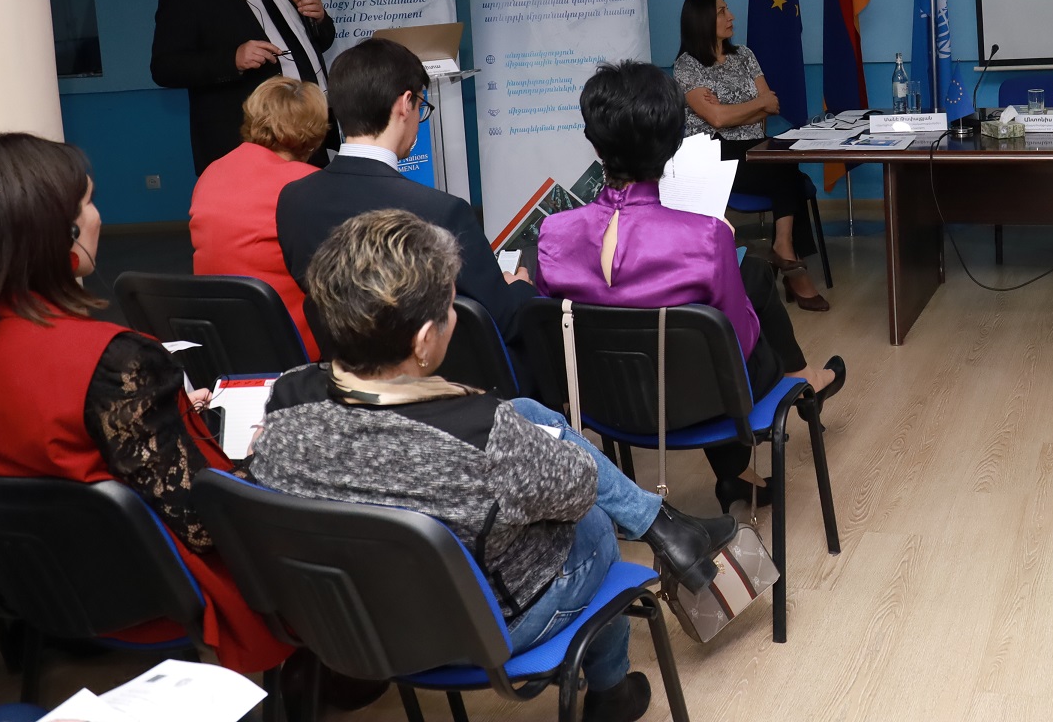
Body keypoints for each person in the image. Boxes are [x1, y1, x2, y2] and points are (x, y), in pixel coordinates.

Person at [246, 209, 736, 722]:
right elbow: (579, 488)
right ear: (423, 341)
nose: (455, 314)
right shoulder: (483, 434)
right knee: (592, 520)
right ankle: (611, 691)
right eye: (450, 305)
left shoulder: (285, 399)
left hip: (346, 621)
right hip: (476, 629)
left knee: (526, 413)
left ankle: (663, 524)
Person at [0, 132, 290, 674]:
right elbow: (203, 524)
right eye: (88, 203)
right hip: (154, 596)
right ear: (59, 233)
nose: (98, 217)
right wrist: (266, 457)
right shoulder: (111, 360)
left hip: (31, 591)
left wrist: (165, 416)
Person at [535, 59, 844, 510]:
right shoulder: (706, 236)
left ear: (594, 143)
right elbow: (741, 342)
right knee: (746, 298)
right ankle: (800, 383)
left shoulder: (553, 234)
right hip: (700, 404)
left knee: (744, 283)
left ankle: (740, 470)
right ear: (673, 145)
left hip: (603, 409)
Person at [276, 37, 536, 363]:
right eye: (420, 107)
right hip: (434, 380)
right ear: (405, 103)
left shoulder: (293, 201)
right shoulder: (442, 212)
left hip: (345, 377)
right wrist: (520, 288)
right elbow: (505, 322)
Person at [151, 0, 337, 173]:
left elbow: (319, 43)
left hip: (312, 139)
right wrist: (233, 59)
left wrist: (320, 19)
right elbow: (165, 68)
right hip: (246, 149)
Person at [674, 0, 829, 310]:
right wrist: (751, 107)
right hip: (713, 154)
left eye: (727, 9)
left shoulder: (744, 55)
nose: (731, 16)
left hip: (755, 148)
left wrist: (730, 109)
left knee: (784, 164)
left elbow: (771, 105)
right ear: (701, 19)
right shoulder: (687, 66)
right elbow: (717, 119)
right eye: (721, 12)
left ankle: (785, 249)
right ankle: (790, 261)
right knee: (790, 175)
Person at [190, 76, 329, 358]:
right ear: (316, 130)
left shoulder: (212, 172)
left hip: (220, 341)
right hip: (291, 347)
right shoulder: (308, 183)